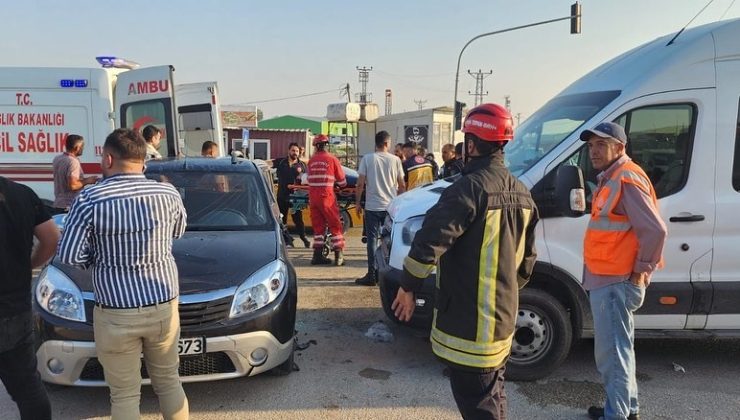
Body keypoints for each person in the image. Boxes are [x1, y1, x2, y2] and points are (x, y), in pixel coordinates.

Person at [392, 103, 538, 419]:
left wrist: (407, 287)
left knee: (481, 408)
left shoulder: (469, 188)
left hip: (471, 330)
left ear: (471, 145)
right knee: (493, 397)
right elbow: (527, 263)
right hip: (503, 323)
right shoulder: (524, 194)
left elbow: (430, 240)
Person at [57, 128, 189, 420]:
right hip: (163, 306)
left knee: (125, 394)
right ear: (143, 161)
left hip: (116, 312)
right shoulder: (167, 193)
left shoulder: (90, 199)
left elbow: (70, 256)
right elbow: (177, 232)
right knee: (168, 382)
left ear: (107, 158)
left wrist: (102, 257)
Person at [580, 122, 667, 420]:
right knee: (620, 350)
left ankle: (616, 415)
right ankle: (626, 410)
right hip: (610, 278)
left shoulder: (625, 178)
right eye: (591, 145)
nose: (594, 151)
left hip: (616, 281)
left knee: (612, 356)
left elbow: (655, 230)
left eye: (601, 145)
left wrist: (639, 272)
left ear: (620, 147)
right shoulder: (614, 176)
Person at [0, 177, 58, 420]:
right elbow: (51, 238)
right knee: (27, 388)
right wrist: (28, 265)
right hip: (13, 308)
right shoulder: (20, 193)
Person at [354, 131, 406, 286]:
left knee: (372, 241)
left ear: (376, 143)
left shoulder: (367, 159)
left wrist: (357, 203)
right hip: (390, 207)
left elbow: (360, 184)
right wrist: (400, 202)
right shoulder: (395, 160)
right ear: (386, 143)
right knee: (390, 241)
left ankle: (372, 274)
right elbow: (402, 184)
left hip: (372, 207)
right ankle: (390, 274)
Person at [307, 134, 347, 265]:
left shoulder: (311, 161)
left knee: (318, 228)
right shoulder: (332, 159)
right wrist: (340, 186)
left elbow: (308, 178)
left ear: (315, 146)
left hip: (313, 198)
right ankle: (339, 255)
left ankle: (317, 256)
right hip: (327, 197)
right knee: (335, 225)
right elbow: (342, 182)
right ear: (326, 145)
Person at [275, 142, 310, 248]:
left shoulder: (302, 165)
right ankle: (286, 240)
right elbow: (268, 163)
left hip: (296, 196)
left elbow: (306, 180)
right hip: (282, 195)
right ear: (288, 151)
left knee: (298, 219)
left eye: (297, 151)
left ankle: (304, 239)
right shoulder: (281, 162)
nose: (295, 153)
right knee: (282, 219)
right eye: (293, 150)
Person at [52, 134, 97, 211]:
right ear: (77, 148)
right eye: (82, 146)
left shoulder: (57, 158)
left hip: (58, 204)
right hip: (70, 206)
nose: (83, 149)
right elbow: (73, 185)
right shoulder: (73, 162)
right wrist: (88, 181)